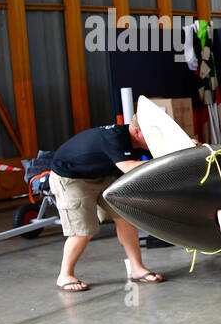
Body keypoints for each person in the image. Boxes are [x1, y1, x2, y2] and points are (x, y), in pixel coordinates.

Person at [51, 115, 162, 292]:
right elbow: (128, 167)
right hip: (72, 178)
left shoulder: (140, 139)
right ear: (137, 132)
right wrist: (162, 161)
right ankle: (65, 275)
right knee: (83, 231)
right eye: (151, 136)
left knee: (125, 218)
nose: (155, 140)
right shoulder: (115, 138)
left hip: (101, 176)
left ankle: (137, 269)